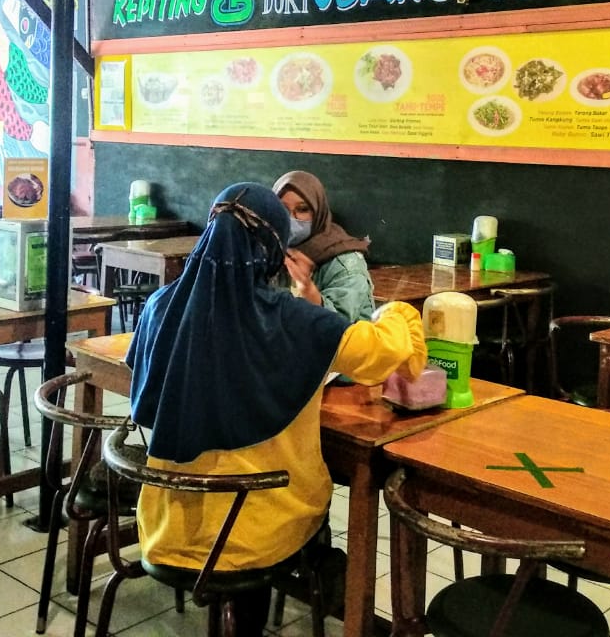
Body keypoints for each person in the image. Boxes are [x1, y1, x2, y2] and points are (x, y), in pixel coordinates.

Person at [126, 182, 425, 637]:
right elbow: (380, 356)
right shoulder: (296, 320)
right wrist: (398, 312)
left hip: (167, 521)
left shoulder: (158, 307)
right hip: (258, 529)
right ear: (272, 249)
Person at [272, 170, 375, 322]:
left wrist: (308, 289)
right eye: (283, 209)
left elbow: (338, 325)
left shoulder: (346, 263)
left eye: (302, 209)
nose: (291, 219)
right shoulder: (272, 250)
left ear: (318, 212)